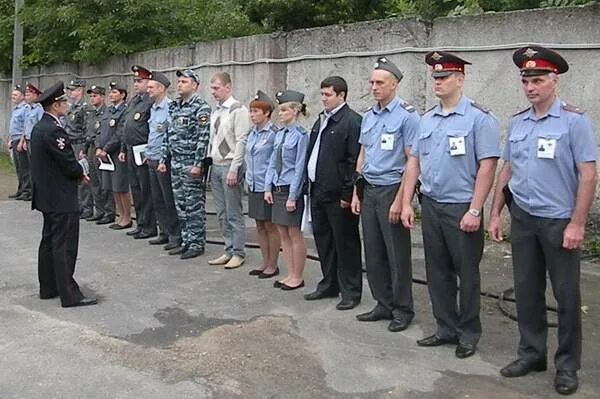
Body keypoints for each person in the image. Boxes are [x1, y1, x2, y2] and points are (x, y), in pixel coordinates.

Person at [487, 46, 597, 395]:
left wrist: (577, 223)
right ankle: (532, 353)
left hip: (558, 221)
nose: (531, 87)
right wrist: (494, 212)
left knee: (565, 296)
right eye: (527, 81)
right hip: (524, 219)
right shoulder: (518, 121)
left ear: (555, 81)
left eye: (538, 80)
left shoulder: (574, 121)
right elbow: (507, 170)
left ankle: (567, 366)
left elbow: (588, 175)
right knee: (526, 291)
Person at [401, 51, 500, 358]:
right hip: (431, 204)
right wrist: (406, 202)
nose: (438, 83)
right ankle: (445, 326)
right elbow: (414, 162)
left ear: (460, 79)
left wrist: (475, 209)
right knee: (437, 270)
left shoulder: (479, 119)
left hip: (461, 207)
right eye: (435, 78)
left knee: (466, 273)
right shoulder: (426, 119)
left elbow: (487, 166)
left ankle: (468, 332)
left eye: (444, 77)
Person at [350, 57, 419, 332]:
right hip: (369, 188)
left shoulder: (407, 116)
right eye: (371, 82)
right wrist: (357, 192)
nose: (374, 87)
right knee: (374, 251)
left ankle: (403, 309)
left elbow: (412, 159)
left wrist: (403, 200)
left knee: (396, 253)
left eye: (380, 83)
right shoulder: (368, 116)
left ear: (394, 84)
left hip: (392, 188)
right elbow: (362, 155)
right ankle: (383, 303)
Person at [29, 81, 97, 308]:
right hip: (60, 197)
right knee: (64, 245)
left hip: (48, 196)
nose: (66, 105)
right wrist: (80, 173)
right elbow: (67, 162)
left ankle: (48, 286)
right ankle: (69, 294)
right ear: (55, 105)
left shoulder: (40, 127)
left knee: (49, 242)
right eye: (63, 102)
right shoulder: (54, 130)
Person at [304, 76, 363, 310]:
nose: (324, 99)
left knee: (345, 242)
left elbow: (353, 161)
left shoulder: (351, 121)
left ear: (342, 95)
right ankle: (329, 282)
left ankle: (351, 290)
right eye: (322, 95)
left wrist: (348, 194)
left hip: (339, 195)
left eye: (328, 95)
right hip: (318, 190)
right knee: (324, 241)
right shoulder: (323, 120)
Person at [158, 69, 211, 260]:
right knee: (180, 205)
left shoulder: (201, 107)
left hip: (190, 164)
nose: (179, 85)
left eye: (184, 82)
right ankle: (186, 240)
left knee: (193, 205)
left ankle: (197, 243)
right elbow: (167, 134)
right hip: (176, 163)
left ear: (195, 85)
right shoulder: (174, 107)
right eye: (179, 82)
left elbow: (203, 138)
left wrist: (198, 164)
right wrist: (164, 159)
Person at [264, 90, 309, 291]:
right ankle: (289, 273)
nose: (280, 114)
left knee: (294, 233)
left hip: (291, 188)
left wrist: (293, 196)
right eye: (279, 110)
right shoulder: (279, 134)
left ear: (295, 111)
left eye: (283, 110)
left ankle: (297, 276)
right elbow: (272, 162)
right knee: (282, 232)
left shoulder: (301, 136)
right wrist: (268, 187)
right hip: (277, 187)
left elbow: (300, 167)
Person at [207, 72, 250, 269]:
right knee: (221, 213)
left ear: (227, 87)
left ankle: (238, 252)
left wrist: (235, 169)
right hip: (216, 166)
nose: (213, 92)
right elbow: (213, 140)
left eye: (216, 88)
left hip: (230, 165)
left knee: (233, 212)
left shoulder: (238, 110)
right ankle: (228, 248)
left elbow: (241, 141)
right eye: (212, 88)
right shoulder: (216, 111)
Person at [245, 90, 280, 279]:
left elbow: (273, 163)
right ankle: (264, 261)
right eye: (251, 111)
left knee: (270, 226)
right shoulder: (252, 133)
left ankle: (273, 264)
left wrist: (268, 186)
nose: (252, 115)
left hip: (267, 186)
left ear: (266, 113)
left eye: (256, 111)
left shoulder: (273, 133)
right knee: (259, 225)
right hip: (253, 184)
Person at [120, 65, 157, 240]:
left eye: (139, 81)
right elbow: (126, 126)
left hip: (143, 149)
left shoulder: (150, 101)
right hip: (130, 148)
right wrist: (122, 149)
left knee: (145, 189)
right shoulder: (134, 101)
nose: (136, 84)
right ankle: (141, 223)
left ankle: (149, 225)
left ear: (148, 81)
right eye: (135, 81)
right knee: (135, 188)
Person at [147, 71, 182, 251]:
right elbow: (153, 134)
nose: (148, 90)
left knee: (169, 199)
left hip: (163, 161)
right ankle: (165, 232)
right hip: (151, 158)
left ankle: (176, 235)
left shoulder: (170, 107)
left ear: (161, 89)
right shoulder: (153, 108)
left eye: (151, 87)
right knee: (157, 199)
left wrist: (162, 157)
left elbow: (169, 135)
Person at [95, 81, 131, 229]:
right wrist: (98, 147)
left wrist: (107, 148)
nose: (111, 95)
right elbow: (99, 130)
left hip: (116, 153)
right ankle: (120, 215)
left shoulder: (124, 111)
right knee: (112, 187)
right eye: (110, 92)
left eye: (115, 92)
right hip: (105, 155)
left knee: (120, 187)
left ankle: (127, 217)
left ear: (123, 95)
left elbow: (120, 133)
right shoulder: (108, 111)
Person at [83, 85, 115, 223]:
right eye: (90, 96)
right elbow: (87, 133)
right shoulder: (91, 113)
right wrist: (84, 151)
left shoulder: (106, 113)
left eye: (95, 96)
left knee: (104, 181)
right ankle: (99, 210)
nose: (92, 98)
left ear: (102, 97)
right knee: (94, 181)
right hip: (90, 147)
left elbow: (103, 133)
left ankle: (109, 211)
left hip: (99, 148)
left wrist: (99, 147)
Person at [64, 79, 93, 219]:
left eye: (73, 90)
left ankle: (87, 207)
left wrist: (84, 149)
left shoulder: (84, 108)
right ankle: (79, 205)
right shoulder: (71, 107)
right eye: (70, 90)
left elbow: (87, 129)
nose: (70, 93)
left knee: (84, 176)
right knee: (74, 176)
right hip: (71, 143)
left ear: (80, 90)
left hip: (80, 143)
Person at [7, 85, 28, 200]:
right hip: (15, 140)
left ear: (22, 96)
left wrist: (22, 141)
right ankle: (21, 189)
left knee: (24, 167)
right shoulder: (16, 109)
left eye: (15, 95)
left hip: (20, 140)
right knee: (18, 167)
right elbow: (13, 127)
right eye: (12, 95)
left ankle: (27, 190)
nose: (13, 97)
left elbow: (26, 126)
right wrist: (10, 139)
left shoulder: (25, 109)